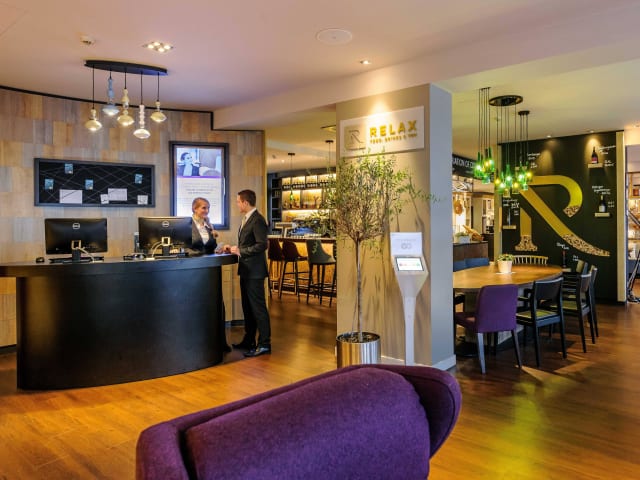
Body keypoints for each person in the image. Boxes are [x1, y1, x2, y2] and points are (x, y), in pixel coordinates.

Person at [222, 189, 271, 357]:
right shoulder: (247, 219)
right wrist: (235, 249)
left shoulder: (258, 219)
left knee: (258, 309)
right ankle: (249, 340)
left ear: (245, 202)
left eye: (238, 201)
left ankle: (264, 344)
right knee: (248, 308)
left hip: (255, 272)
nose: (237, 204)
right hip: (246, 270)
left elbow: (262, 245)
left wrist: (240, 251)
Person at [189, 197, 231, 353]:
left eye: (208, 208)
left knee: (217, 304)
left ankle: (220, 342)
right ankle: (199, 345)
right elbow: (186, 247)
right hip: (195, 270)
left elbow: (210, 247)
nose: (206, 211)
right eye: (203, 208)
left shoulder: (208, 225)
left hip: (211, 269)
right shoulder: (187, 225)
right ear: (195, 208)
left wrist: (219, 248)